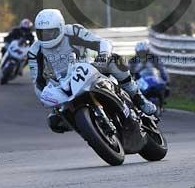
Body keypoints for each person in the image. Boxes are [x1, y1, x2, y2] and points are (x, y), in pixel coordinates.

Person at [28, 8, 157, 133]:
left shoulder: (73, 31)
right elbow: (38, 81)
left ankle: (139, 98)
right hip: (63, 86)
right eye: (42, 33)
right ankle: (88, 129)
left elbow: (101, 42)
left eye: (51, 32)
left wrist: (103, 55)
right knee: (54, 122)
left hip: (88, 69)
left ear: (61, 27)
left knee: (115, 60)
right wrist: (49, 98)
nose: (47, 36)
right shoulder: (34, 51)